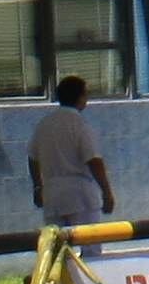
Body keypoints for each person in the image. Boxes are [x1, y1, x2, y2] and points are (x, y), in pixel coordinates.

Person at [28, 74, 115, 229]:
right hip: (80, 194)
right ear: (80, 97)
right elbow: (93, 160)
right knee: (89, 246)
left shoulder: (44, 125)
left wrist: (37, 187)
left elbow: (32, 158)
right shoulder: (79, 124)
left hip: (52, 195)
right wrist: (106, 192)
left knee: (58, 248)